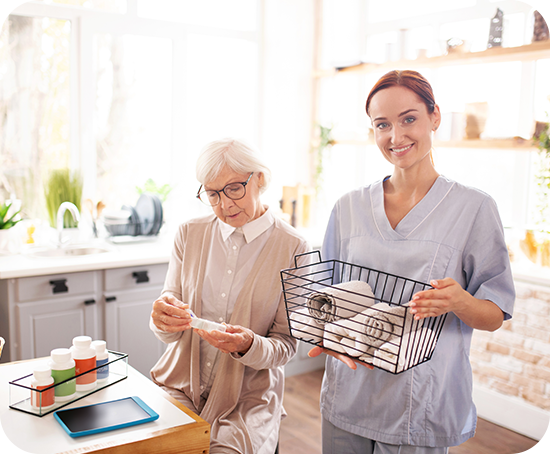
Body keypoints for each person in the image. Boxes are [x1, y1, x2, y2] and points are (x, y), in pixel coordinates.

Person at [308, 70, 515, 453]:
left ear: (434, 117)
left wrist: (460, 302)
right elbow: (324, 300)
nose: (396, 137)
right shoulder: (348, 207)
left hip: (419, 404)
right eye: (382, 124)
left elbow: (494, 315)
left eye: (409, 119)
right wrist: (325, 334)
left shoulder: (474, 208)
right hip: (349, 393)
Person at [149, 138, 310, 454]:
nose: (225, 204)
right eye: (212, 194)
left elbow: (286, 347)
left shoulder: (294, 248)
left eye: (234, 188)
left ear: (259, 179)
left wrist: (248, 345)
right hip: (179, 386)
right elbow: (167, 323)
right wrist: (163, 320)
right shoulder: (188, 234)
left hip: (248, 399)